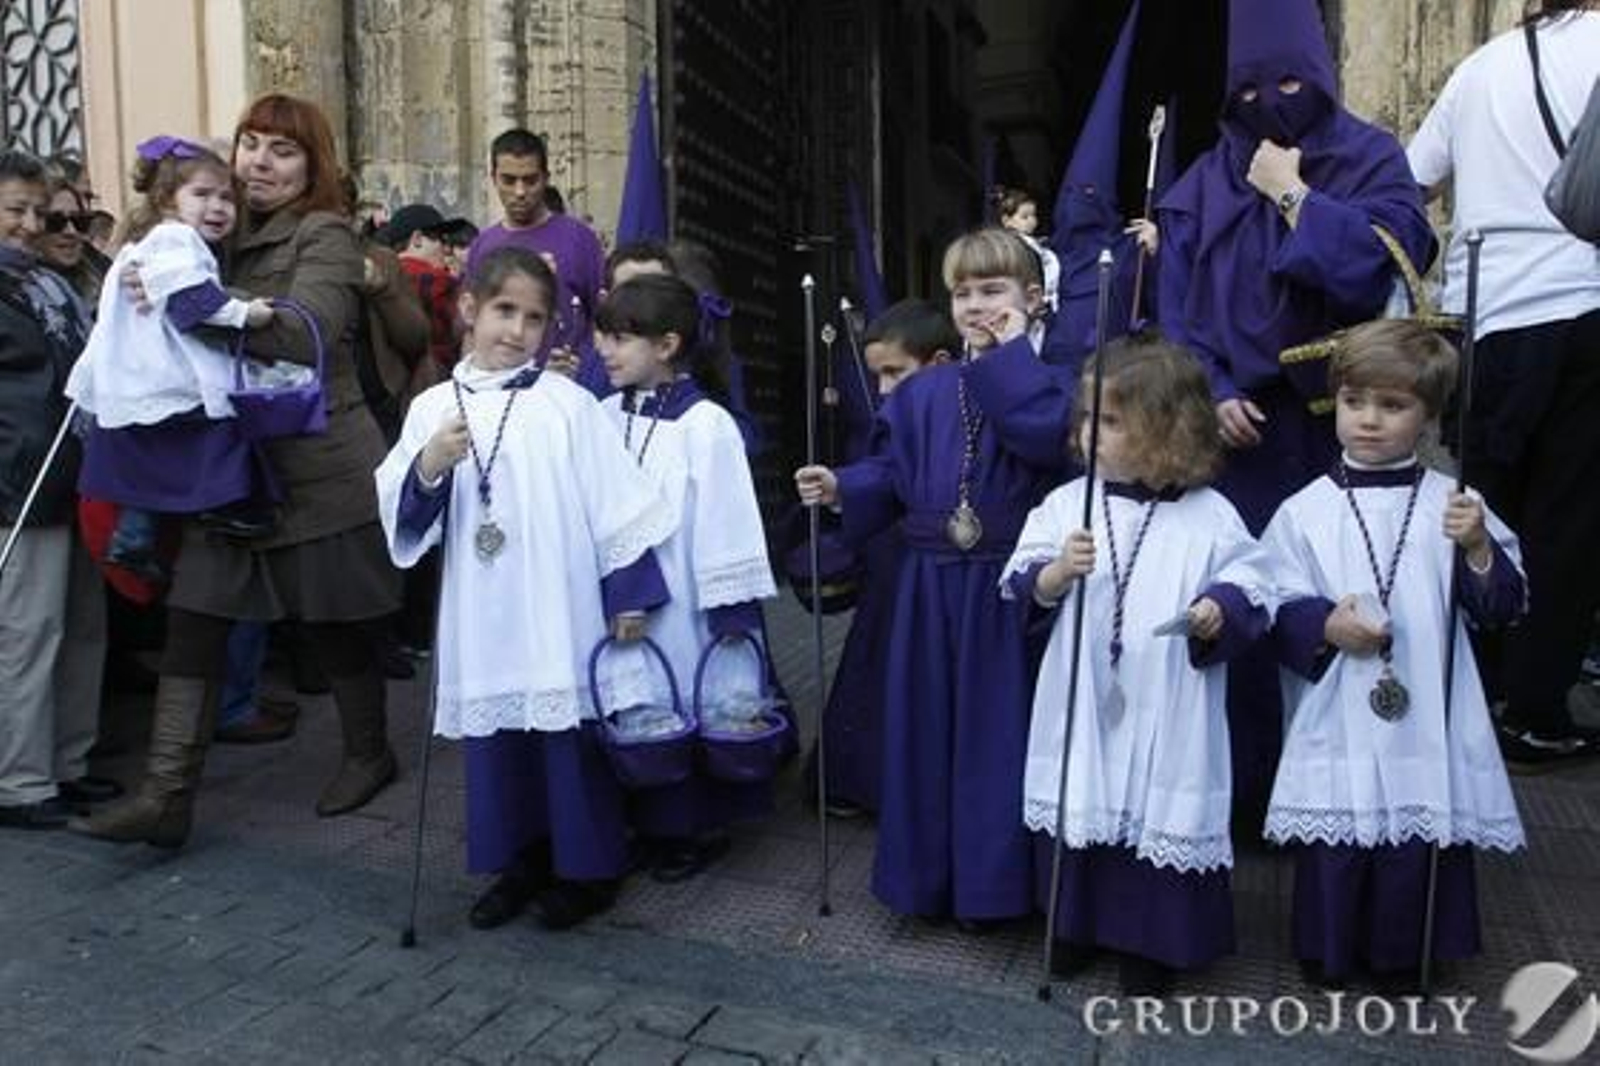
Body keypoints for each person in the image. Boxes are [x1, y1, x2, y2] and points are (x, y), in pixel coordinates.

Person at [74, 93, 406, 848]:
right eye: (250, 143)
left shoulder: (323, 233)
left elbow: (306, 331)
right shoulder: (205, 223)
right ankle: (165, 796)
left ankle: (368, 753)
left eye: (282, 150)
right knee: (194, 620)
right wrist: (148, 283)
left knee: (333, 629)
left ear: (312, 165)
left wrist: (194, 301)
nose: (259, 161)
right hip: (228, 471)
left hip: (318, 467)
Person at [1154, 0, 1435, 839]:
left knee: (1336, 605)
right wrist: (1207, 391)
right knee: (1238, 607)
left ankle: (1339, 806)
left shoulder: (1370, 157)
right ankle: (1240, 800)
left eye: (1289, 83)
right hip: (1233, 441)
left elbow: (1385, 267)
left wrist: (1295, 198)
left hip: (1343, 434)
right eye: (1251, 88)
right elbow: (1174, 308)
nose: (1271, 103)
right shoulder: (1202, 181)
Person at [374, 246, 676, 931]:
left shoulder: (568, 405)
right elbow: (402, 514)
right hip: (483, 609)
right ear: (470, 310)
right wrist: (429, 464)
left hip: (557, 601)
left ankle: (589, 869)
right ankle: (519, 863)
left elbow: (617, 502)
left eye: (534, 319)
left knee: (568, 740)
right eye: (504, 311)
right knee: (499, 742)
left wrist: (630, 592)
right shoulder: (432, 408)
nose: (516, 330)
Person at [794, 228, 1068, 925]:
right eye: (963, 292)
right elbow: (891, 470)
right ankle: (924, 881)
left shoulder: (1052, 377)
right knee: (924, 731)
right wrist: (843, 486)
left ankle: (992, 889)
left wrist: (1006, 360)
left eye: (994, 291)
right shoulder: (925, 392)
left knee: (995, 734)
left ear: (1033, 301)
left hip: (1004, 585)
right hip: (927, 584)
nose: (977, 305)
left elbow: (1042, 437)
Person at [1002, 335, 1270, 996]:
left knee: (1158, 805)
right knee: (1083, 795)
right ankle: (1074, 924)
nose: (1090, 434)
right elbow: (1018, 580)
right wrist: (1058, 571)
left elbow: (1255, 583)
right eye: (1087, 417)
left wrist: (1218, 607)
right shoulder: (1071, 504)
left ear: (1170, 428)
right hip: (1084, 690)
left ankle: (1153, 942)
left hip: (1169, 695)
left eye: (1113, 421)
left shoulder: (1213, 516)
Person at [1261, 319, 1526, 987]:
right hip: (1341, 699)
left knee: (1418, 821)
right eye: (1355, 402)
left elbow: (1502, 608)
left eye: (1393, 405)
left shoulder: (1455, 505)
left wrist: (1477, 549)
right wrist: (1325, 626)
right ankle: (1331, 949)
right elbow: (1272, 600)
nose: (1370, 421)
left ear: (1430, 415)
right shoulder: (1303, 511)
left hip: (1426, 708)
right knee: (1339, 820)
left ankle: (1406, 954)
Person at [1407, 0, 1600, 766]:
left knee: (1484, 508)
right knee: (1570, 524)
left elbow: (1410, 180)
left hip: (1485, 314)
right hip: (1584, 300)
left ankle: (1470, 694)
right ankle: (1533, 710)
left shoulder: (1478, 66)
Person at [592, 273, 778, 881]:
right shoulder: (602, 413)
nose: (605, 351)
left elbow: (727, 517)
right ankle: (644, 821)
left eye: (621, 339)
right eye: (604, 337)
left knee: (688, 699)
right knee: (639, 708)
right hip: (620, 594)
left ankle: (690, 829)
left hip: (687, 599)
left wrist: (728, 611)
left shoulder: (707, 425)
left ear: (667, 345)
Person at [65, 136, 279, 582]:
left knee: (147, 466)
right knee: (228, 430)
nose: (217, 207)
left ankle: (133, 537)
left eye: (226, 198)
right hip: (165, 373)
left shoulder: (146, 244)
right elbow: (191, 303)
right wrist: (246, 314)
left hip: (135, 378)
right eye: (201, 195)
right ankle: (230, 507)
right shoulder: (176, 239)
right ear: (168, 200)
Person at [0, 148, 114, 830]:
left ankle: (70, 763)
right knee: (27, 633)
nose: (30, 224)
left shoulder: (50, 285)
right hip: (17, 485)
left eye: (37, 211)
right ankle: (19, 779)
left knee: (82, 630)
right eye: (15, 210)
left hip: (72, 478)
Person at [813, 299, 957, 817]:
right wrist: (840, 486)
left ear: (939, 362)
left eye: (896, 372)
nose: (884, 389)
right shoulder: (901, 416)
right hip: (897, 558)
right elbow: (885, 469)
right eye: (878, 376)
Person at [463, 130, 608, 392]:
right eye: (509, 180)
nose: (520, 191)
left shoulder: (581, 240)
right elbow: (472, 330)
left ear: (546, 179)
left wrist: (590, 373)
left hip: (571, 392)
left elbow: (604, 321)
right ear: (493, 178)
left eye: (530, 180)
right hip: (499, 394)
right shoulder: (482, 246)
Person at [996, 186, 1060, 314]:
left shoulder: (1034, 243)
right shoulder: (1011, 246)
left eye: (1033, 215)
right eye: (1024, 217)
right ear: (1007, 221)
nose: (1032, 220)